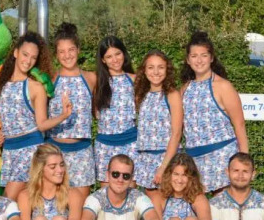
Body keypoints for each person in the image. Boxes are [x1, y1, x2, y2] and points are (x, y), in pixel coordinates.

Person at [0, 32, 72, 200]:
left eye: (33, 58)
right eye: (25, 54)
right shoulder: (2, 85)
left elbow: (41, 124)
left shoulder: (35, 87)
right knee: (21, 204)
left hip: (29, 151)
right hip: (9, 151)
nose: (28, 61)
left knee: (7, 201)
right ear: (16, 53)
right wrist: (2, 135)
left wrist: (64, 115)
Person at [181, 31, 248, 193]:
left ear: (211, 58)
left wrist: (244, 162)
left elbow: (239, 125)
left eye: (204, 55)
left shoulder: (224, 86)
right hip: (194, 159)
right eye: (194, 56)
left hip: (222, 156)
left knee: (224, 205)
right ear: (188, 60)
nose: (199, 60)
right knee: (196, 206)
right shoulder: (184, 89)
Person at [47, 23, 97, 201]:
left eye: (71, 50)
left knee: (80, 206)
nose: (67, 55)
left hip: (82, 152)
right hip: (55, 151)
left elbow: (100, 110)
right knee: (55, 206)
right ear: (56, 54)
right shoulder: (50, 79)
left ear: (78, 50)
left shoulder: (91, 78)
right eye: (61, 51)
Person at [133, 50, 183, 210]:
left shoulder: (172, 95)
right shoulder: (141, 95)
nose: (156, 72)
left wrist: (163, 166)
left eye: (160, 67)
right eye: (151, 67)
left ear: (167, 69)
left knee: (167, 206)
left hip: (165, 157)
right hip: (145, 158)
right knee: (152, 207)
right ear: (144, 70)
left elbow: (176, 133)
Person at [93, 36, 137, 183]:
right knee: (106, 190)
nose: (115, 59)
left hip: (131, 143)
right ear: (103, 60)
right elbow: (94, 112)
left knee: (130, 188)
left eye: (118, 54)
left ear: (124, 54)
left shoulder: (134, 79)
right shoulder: (97, 82)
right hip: (104, 145)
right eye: (109, 56)